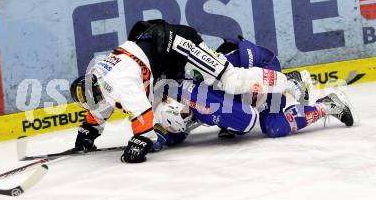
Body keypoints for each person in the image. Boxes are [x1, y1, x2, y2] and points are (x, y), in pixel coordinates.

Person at [70, 19, 308, 163]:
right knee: (198, 93)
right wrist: (88, 131)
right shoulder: (101, 78)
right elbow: (101, 107)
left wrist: (140, 141)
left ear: (97, 85)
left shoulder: (117, 83)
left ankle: (289, 81)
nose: (98, 100)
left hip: (180, 45)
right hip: (167, 60)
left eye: (95, 96)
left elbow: (142, 118)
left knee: (232, 80)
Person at [152, 38, 355, 150]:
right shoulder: (172, 96)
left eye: (186, 115)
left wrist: (276, 82)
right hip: (241, 86)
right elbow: (173, 132)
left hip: (260, 68)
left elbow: (247, 115)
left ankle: (313, 95)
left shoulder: (198, 83)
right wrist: (155, 139)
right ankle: (326, 101)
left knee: (272, 125)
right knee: (259, 124)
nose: (189, 120)